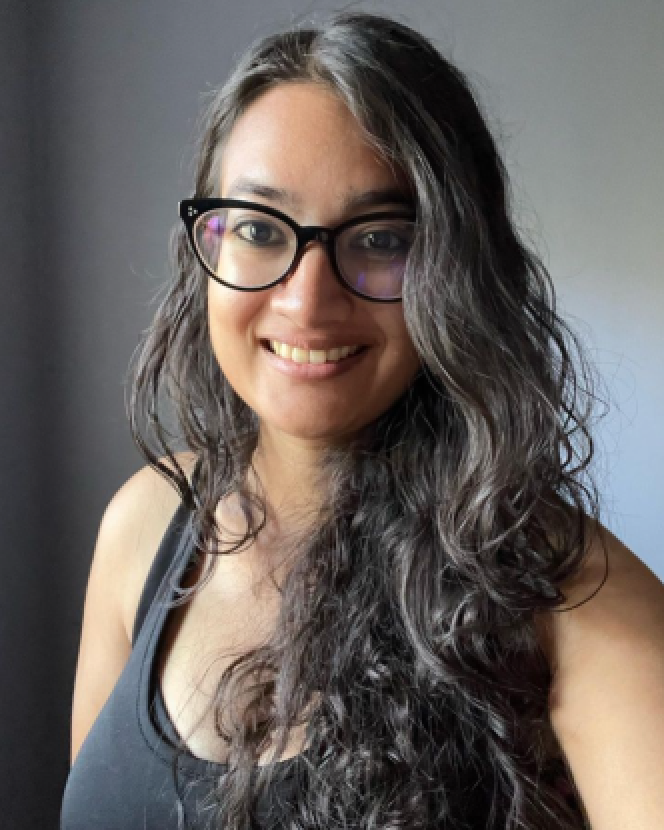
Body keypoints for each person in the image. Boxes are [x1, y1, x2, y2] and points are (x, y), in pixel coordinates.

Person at [61, 10, 664, 830]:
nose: (307, 300)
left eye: (380, 239)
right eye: (258, 229)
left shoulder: (578, 604)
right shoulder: (143, 524)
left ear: (458, 270)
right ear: (208, 246)